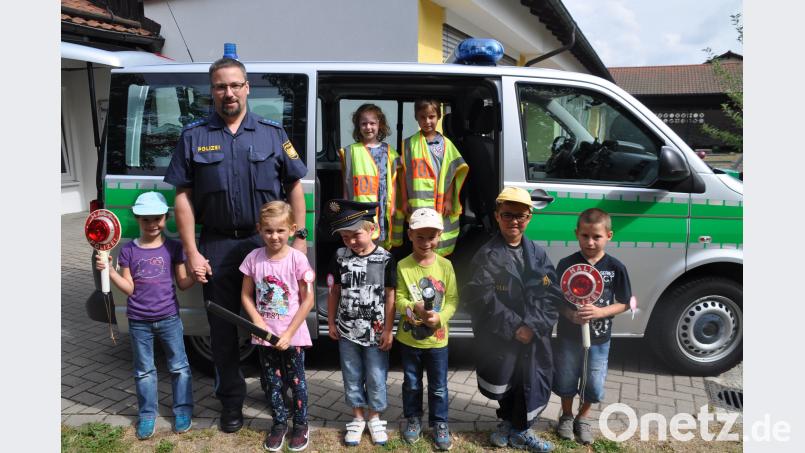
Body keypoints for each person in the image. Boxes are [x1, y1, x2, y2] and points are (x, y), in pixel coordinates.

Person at [163, 56, 308, 433]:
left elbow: (294, 187)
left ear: (247, 88)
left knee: (277, 320)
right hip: (218, 247)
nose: (228, 92)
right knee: (223, 329)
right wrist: (193, 251)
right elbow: (183, 197)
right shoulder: (194, 136)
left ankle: (282, 391)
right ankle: (231, 401)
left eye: (234, 85)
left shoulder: (273, 134)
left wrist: (300, 239)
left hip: (269, 247)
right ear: (211, 91)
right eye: (220, 86)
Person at [464, 187, 563, 453]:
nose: (514, 221)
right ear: (497, 216)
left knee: (529, 381)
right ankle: (506, 423)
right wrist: (514, 327)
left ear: (529, 217)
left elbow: (551, 294)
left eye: (520, 215)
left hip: (533, 335)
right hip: (501, 336)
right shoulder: (487, 255)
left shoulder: (538, 254)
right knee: (506, 381)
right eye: (507, 215)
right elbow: (479, 298)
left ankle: (522, 431)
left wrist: (532, 326)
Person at [94, 191, 195, 440]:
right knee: (144, 371)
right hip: (139, 321)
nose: (152, 224)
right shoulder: (128, 251)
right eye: (145, 219)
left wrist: (197, 275)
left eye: (157, 218)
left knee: (179, 367)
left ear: (166, 218)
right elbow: (129, 288)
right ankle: (147, 414)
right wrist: (111, 270)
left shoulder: (174, 247)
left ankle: (182, 411)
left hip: (170, 318)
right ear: (137, 219)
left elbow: (182, 283)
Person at [553, 208, 633, 445]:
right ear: (576, 234)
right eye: (585, 236)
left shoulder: (615, 267)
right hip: (568, 337)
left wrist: (601, 312)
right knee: (567, 378)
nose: (590, 242)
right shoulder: (566, 264)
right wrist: (569, 313)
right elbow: (555, 299)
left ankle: (583, 418)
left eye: (596, 236)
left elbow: (627, 302)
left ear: (609, 235)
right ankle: (566, 416)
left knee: (594, 382)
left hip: (599, 340)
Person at [239, 201, 315, 451]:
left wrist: (289, 334)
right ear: (260, 229)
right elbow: (246, 296)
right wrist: (259, 323)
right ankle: (279, 424)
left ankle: (301, 425)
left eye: (281, 231)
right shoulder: (253, 259)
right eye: (269, 230)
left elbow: (308, 300)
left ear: (292, 229)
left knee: (297, 382)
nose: (274, 236)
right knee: (272, 382)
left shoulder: (297, 259)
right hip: (265, 336)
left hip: (292, 336)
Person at [324, 199, 397, 446]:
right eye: (344, 237)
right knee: (351, 374)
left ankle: (375, 417)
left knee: (376, 375)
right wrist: (332, 323)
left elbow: (390, 295)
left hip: (375, 333)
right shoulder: (339, 256)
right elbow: (334, 291)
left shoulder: (385, 259)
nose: (350, 242)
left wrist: (388, 329)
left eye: (355, 235)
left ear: (372, 230)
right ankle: (357, 417)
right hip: (347, 331)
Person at [395, 208, 459, 451]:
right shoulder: (402, 265)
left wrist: (440, 318)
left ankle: (439, 422)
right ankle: (413, 419)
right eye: (420, 236)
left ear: (440, 236)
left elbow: (453, 300)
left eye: (431, 236)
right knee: (411, 382)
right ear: (410, 234)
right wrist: (414, 307)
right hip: (410, 339)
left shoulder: (446, 266)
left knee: (439, 386)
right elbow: (398, 298)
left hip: (438, 341)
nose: (426, 242)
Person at [399, 99, 468, 256]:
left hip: (439, 205)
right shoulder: (408, 144)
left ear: (439, 116)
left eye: (431, 116)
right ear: (416, 117)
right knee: (420, 240)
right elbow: (403, 174)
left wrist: (449, 199)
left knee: (437, 240)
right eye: (422, 117)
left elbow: (451, 173)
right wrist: (403, 199)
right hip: (417, 205)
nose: (427, 121)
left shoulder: (446, 144)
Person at [339, 104, 403, 250]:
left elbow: (394, 182)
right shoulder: (351, 151)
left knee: (379, 245)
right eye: (364, 123)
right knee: (360, 242)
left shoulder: (390, 152)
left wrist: (393, 205)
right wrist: (346, 207)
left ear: (380, 125)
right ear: (358, 126)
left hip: (383, 205)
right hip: (360, 208)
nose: (368, 127)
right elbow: (347, 182)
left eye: (372, 123)